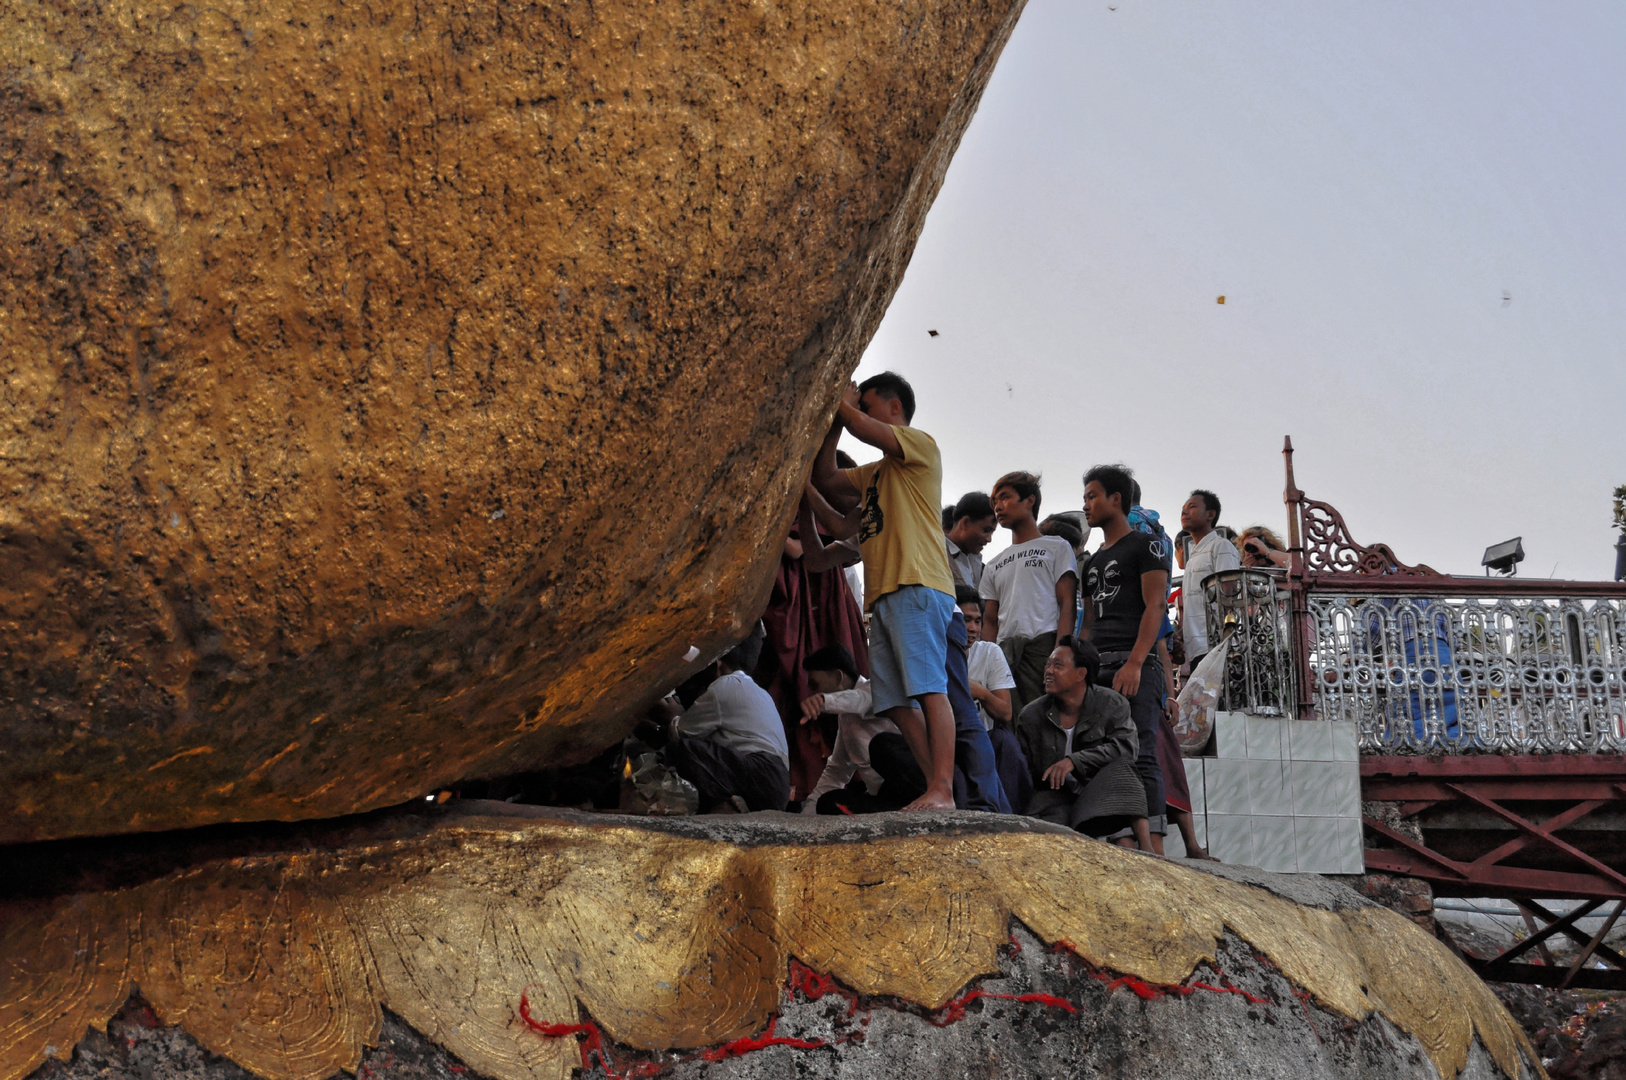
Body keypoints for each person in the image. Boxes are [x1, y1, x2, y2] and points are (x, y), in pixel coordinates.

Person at [808, 372, 962, 811]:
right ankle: (934, 782)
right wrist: (805, 492)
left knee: (929, 689)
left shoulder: (919, 446)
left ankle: (943, 789)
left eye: (868, 404)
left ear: (894, 409)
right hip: (884, 598)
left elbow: (859, 426)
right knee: (894, 702)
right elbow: (832, 495)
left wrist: (839, 401)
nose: (861, 411)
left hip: (917, 583)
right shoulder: (876, 475)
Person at [754, 488, 870, 803]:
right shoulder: (805, 520)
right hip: (803, 622)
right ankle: (801, 791)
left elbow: (806, 550)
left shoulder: (831, 532)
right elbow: (797, 550)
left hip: (825, 621)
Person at [1079, 464, 1165, 851]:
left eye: (1092, 496)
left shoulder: (1146, 546)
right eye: (1084, 497)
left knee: (1142, 749)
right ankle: (1121, 838)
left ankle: (1157, 847)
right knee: (1102, 749)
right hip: (1098, 665)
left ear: (1116, 499)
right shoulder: (1092, 562)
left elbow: (1156, 606)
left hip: (1134, 663)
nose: (1086, 505)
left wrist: (1135, 662)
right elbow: (1088, 623)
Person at [1016, 636, 1147, 838]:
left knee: (1124, 770)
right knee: (1052, 836)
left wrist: (1074, 761)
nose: (1048, 671)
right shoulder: (1031, 715)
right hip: (1056, 799)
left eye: (1057, 666)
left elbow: (1127, 749)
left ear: (1081, 674)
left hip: (1096, 794)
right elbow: (1026, 773)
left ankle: (1148, 852)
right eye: (1048, 665)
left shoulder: (1111, 703)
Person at [662, 624, 791, 812]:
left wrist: (672, 714)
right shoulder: (759, 691)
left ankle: (729, 806)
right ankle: (738, 803)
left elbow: (680, 732)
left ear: (717, 664)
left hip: (761, 774)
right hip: (779, 786)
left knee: (681, 750)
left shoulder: (725, 685)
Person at [979, 472, 1078, 714]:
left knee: (1043, 720)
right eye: (995, 503)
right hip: (1005, 653)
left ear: (1029, 501)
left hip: (1043, 647)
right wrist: (985, 663)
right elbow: (990, 620)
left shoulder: (1056, 547)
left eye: (1005, 498)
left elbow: (1067, 603)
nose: (998, 507)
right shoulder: (993, 564)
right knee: (1008, 723)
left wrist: (1060, 655)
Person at [797, 645, 903, 813]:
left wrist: (825, 701)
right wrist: (806, 814)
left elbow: (860, 700)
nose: (813, 693)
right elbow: (837, 770)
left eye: (816, 686)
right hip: (885, 799)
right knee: (827, 803)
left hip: (912, 785)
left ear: (839, 676)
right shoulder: (845, 719)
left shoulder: (874, 690)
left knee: (882, 745)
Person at [956, 585, 1029, 813]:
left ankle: (1012, 819)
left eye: (978, 621)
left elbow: (1005, 712)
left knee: (1004, 741)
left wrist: (981, 692)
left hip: (984, 742)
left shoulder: (989, 652)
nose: (973, 628)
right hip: (947, 746)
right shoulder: (935, 653)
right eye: (966, 620)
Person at [1178, 490, 1242, 672]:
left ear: (1210, 515)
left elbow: (1229, 593)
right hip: (1197, 648)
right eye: (1183, 509)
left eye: (1192, 507)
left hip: (1215, 645)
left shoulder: (1221, 546)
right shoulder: (1193, 557)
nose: (1184, 512)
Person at [944, 491, 998, 589]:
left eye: (992, 532)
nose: (989, 539)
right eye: (986, 530)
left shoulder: (982, 569)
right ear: (965, 523)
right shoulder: (933, 553)